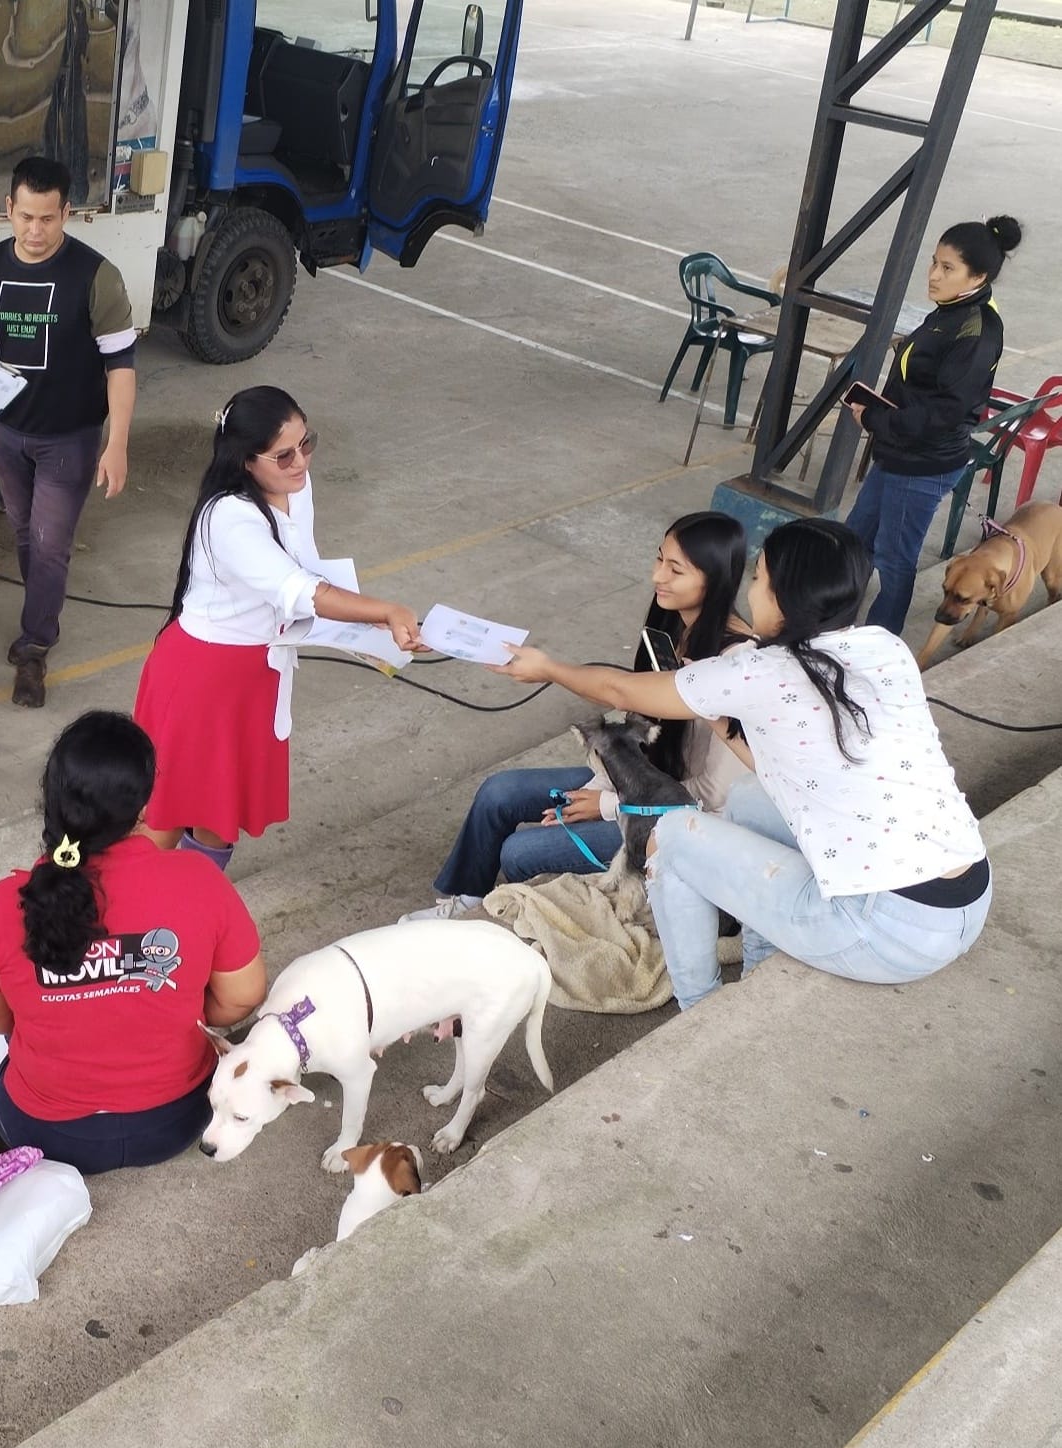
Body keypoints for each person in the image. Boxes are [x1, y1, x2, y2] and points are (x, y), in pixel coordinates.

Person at [502, 519, 990, 1011]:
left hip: (885, 931)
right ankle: (759, 963)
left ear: (785, 596)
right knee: (749, 798)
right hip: (964, 898)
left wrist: (548, 668)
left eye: (759, 579)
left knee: (670, 835)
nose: (752, 592)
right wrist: (717, 715)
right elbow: (773, 768)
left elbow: (619, 691)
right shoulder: (884, 647)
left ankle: (698, 1008)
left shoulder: (762, 670)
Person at [0, 711, 267, 1173]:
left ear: (52, 802)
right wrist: (177, 1008)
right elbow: (243, 997)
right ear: (144, 806)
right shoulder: (200, 880)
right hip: (177, 1121)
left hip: (45, 1133)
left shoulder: (2, 905)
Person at [405, 511, 752, 920]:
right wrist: (602, 782)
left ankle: (505, 919)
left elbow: (712, 796)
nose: (657, 576)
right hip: (640, 784)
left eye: (675, 570)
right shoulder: (675, 626)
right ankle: (464, 899)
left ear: (715, 578)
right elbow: (634, 715)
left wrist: (608, 805)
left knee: (519, 854)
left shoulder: (738, 665)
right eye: (660, 558)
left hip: (677, 823)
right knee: (499, 794)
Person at [132, 386, 422, 871]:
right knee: (169, 812)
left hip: (250, 675)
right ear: (246, 461)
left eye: (306, 444)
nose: (300, 462)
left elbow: (306, 569)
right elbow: (297, 588)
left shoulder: (295, 488)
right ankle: (122, 901)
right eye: (283, 455)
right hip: (205, 678)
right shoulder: (229, 517)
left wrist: (374, 621)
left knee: (218, 814)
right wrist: (383, 611)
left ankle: (193, 900)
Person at [0, 155, 138, 708]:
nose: (35, 230)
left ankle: (35, 646)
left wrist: (117, 443)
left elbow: (121, 367)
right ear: (9, 209)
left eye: (48, 218)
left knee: (50, 544)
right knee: (25, 533)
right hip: (8, 432)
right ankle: (42, 611)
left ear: (66, 213)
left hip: (70, 437)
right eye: (26, 216)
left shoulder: (96, 277)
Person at [845, 216, 1021, 636]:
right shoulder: (952, 310)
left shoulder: (976, 331)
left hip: (924, 463)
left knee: (893, 559)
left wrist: (875, 417)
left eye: (947, 268)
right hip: (899, 449)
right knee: (854, 540)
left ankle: (880, 642)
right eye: (934, 263)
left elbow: (944, 412)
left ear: (977, 276)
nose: (934, 275)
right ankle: (835, 622)